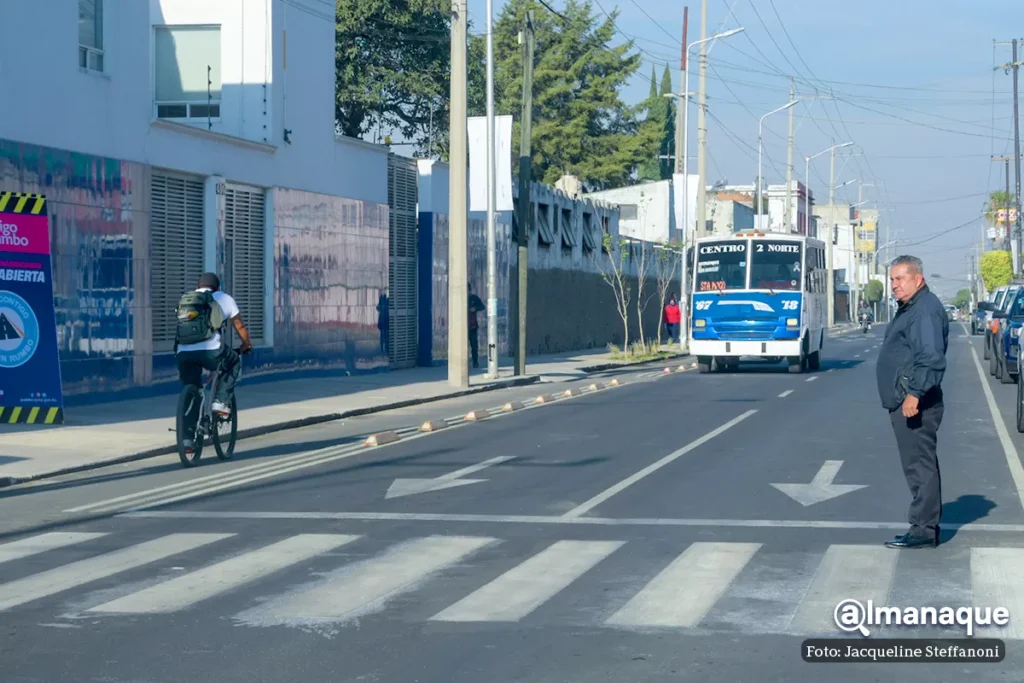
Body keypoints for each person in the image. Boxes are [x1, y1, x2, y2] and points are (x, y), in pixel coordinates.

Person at [875, 255, 948, 549]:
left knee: (920, 465)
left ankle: (923, 529)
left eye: (899, 279)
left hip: (917, 402)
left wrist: (914, 394)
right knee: (917, 464)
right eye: (892, 279)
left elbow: (930, 357)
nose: (894, 285)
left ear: (917, 278)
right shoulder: (913, 308)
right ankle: (923, 524)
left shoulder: (924, 311)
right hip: (908, 398)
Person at [175, 273, 253, 450]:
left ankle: (187, 440)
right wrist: (246, 345)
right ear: (217, 287)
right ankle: (220, 401)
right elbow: (239, 325)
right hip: (211, 351)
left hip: (184, 353)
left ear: (199, 286)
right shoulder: (224, 298)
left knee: (192, 390)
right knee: (232, 363)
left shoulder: (186, 299)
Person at [468, 282, 485, 368]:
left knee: (474, 345)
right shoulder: (460, 299)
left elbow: (482, 306)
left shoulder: (474, 298)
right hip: (462, 327)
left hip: (472, 326)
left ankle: (475, 361)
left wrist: (475, 308)